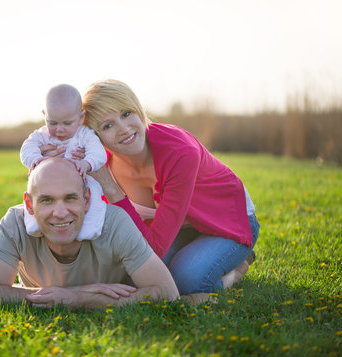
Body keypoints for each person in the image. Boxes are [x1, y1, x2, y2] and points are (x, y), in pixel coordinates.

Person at [81, 79, 260, 304]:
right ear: (96, 136)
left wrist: (112, 189)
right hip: (176, 229)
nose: (124, 129)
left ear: (137, 109)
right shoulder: (101, 163)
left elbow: (152, 249)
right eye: (108, 125)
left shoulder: (180, 152)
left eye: (126, 114)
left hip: (227, 223)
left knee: (185, 280)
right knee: (137, 276)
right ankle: (193, 253)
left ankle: (236, 270)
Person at [0, 157, 179, 309]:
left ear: (87, 199)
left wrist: (80, 299)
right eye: (47, 200)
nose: (60, 213)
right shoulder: (15, 223)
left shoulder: (114, 222)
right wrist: (74, 293)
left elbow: (167, 293)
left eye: (70, 198)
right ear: (29, 204)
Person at [20, 84, 107, 240]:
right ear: (44, 115)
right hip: (48, 183)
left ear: (81, 118)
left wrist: (87, 163)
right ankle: (33, 224)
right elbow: (26, 148)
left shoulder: (85, 135)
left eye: (67, 123)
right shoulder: (41, 135)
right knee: (37, 196)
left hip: (82, 180)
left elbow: (99, 153)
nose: (59, 129)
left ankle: (90, 228)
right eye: (53, 123)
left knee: (93, 197)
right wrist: (36, 159)